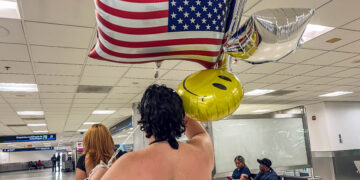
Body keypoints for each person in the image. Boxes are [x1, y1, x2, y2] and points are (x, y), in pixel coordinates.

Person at [91, 84, 214, 180]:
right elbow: (199, 133)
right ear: (181, 117)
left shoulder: (129, 163)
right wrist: (177, 109)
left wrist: (97, 175)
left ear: (142, 121)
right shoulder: (202, 152)